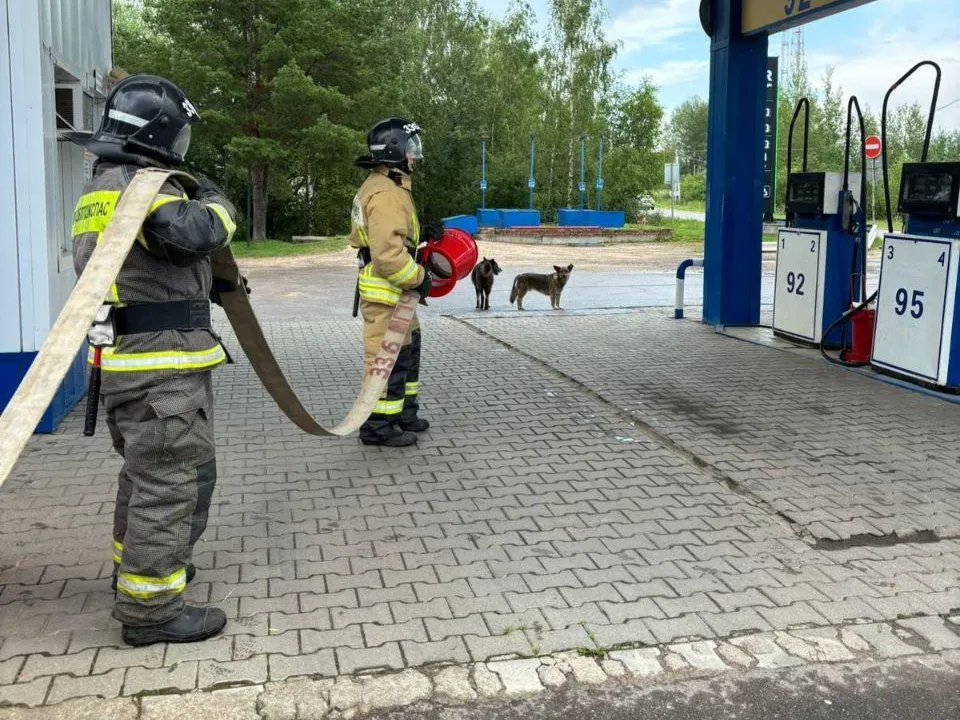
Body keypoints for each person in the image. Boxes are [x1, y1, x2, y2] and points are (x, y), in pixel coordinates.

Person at [67, 74, 240, 646]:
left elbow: (152, 266)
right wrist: (213, 198)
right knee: (170, 482)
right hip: (161, 369)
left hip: (128, 364)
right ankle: (152, 610)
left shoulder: (102, 187)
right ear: (160, 134)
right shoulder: (145, 187)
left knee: (146, 478)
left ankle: (140, 570)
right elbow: (192, 233)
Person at [349, 117, 436, 447]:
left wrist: (422, 238)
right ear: (396, 150)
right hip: (388, 292)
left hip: (397, 295)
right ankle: (377, 427)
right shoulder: (386, 193)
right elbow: (387, 256)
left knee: (406, 355)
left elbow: (394, 238)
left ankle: (403, 415)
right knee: (385, 361)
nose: (415, 157)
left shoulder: (388, 186)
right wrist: (420, 278)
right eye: (411, 150)